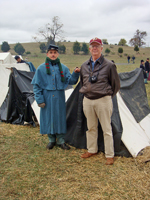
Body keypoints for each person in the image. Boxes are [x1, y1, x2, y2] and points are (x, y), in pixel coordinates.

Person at [79, 37, 120, 165]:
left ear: (102, 48)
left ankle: (109, 154)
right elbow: (83, 82)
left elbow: (116, 85)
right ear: (90, 49)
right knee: (90, 127)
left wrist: (107, 97)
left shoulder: (109, 65)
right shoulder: (84, 66)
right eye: (93, 46)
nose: (95, 48)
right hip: (88, 101)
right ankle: (92, 149)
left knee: (106, 128)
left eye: (97, 46)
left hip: (103, 100)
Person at [31, 44, 80, 150]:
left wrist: (75, 73)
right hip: (46, 97)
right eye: (51, 53)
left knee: (60, 118)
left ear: (58, 54)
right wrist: (40, 100)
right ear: (47, 54)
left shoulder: (64, 68)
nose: (53, 55)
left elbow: (71, 81)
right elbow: (36, 86)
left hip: (59, 97)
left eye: (55, 53)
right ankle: (51, 140)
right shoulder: (41, 68)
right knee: (48, 118)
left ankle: (61, 141)